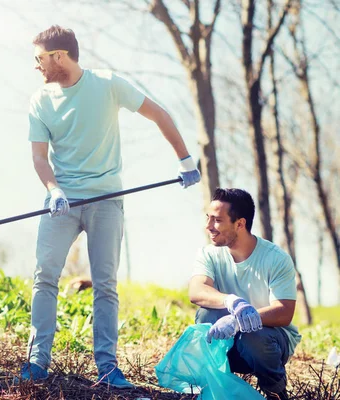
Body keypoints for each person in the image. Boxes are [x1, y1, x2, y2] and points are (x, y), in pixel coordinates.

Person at [21, 26, 201, 388]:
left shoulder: (107, 84)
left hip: (106, 201)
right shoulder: (40, 100)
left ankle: (107, 367)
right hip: (62, 203)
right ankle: (37, 361)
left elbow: (158, 113)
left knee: (105, 284)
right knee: (45, 276)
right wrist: (54, 189)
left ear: (59, 56)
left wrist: (184, 160)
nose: (35, 66)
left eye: (39, 58)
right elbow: (39, 157)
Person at [189, 188, 301, 400]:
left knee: (253, 335)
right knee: (206, 316)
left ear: (239, 224)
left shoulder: (276, 258)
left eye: (217, 220)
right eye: (208, 218)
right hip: (228, 342)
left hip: (267, 344)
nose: (208, 227)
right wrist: (232, 302)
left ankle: (276, 392)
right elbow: (196, 291)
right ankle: (216, 389)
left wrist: (240, 320)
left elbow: (284, 312)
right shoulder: (209, 253)